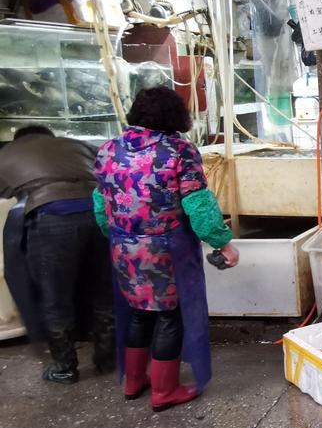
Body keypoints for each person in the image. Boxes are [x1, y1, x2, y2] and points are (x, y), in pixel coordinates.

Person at [93, 87, 239, 411]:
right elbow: (198, 204)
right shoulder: (178, 150)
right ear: (176, 115)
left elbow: (100, 205)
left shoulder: (108, 150)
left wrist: (118, 238)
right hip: (164, 250)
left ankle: (133, 382)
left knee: (138, 311)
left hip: (123, 246)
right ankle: (164, 390)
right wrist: (223, 242)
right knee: (169, 316)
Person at [0, 126, 114, 384]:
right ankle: (107, 357)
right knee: (102, 291)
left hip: (53, 216)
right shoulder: (74, 144)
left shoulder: (10, 151)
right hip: (99, 213)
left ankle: (64, 366)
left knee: (55, 296)